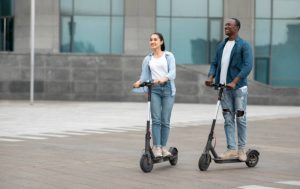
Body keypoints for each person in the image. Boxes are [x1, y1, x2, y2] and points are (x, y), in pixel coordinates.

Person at [205, 18, 253, 161]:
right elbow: (214, 63)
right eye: (225, 25)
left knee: (240, 118)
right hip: (224, 89)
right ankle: (231, 149)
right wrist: (210, 77)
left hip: (239, 89)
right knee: (227, 118)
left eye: (229, 25)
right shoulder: (221, 45)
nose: (226, 26)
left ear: (237, 28)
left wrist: (234, 81)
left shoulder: (244, 45)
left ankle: (242, 149)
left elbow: (247, 66)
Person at [133, 32, 176, 158]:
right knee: (156, 120)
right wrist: (139, 82)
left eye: (155, 39)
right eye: (151, 39)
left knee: (165, 120)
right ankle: (157, 147)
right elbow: (144, 76)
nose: (153, 41)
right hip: (155, 90)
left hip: (168, 90)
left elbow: (172, 74)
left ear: (161, 42)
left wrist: (163, 79)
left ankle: (163, 146)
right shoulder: (148, 59)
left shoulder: (169, 56)